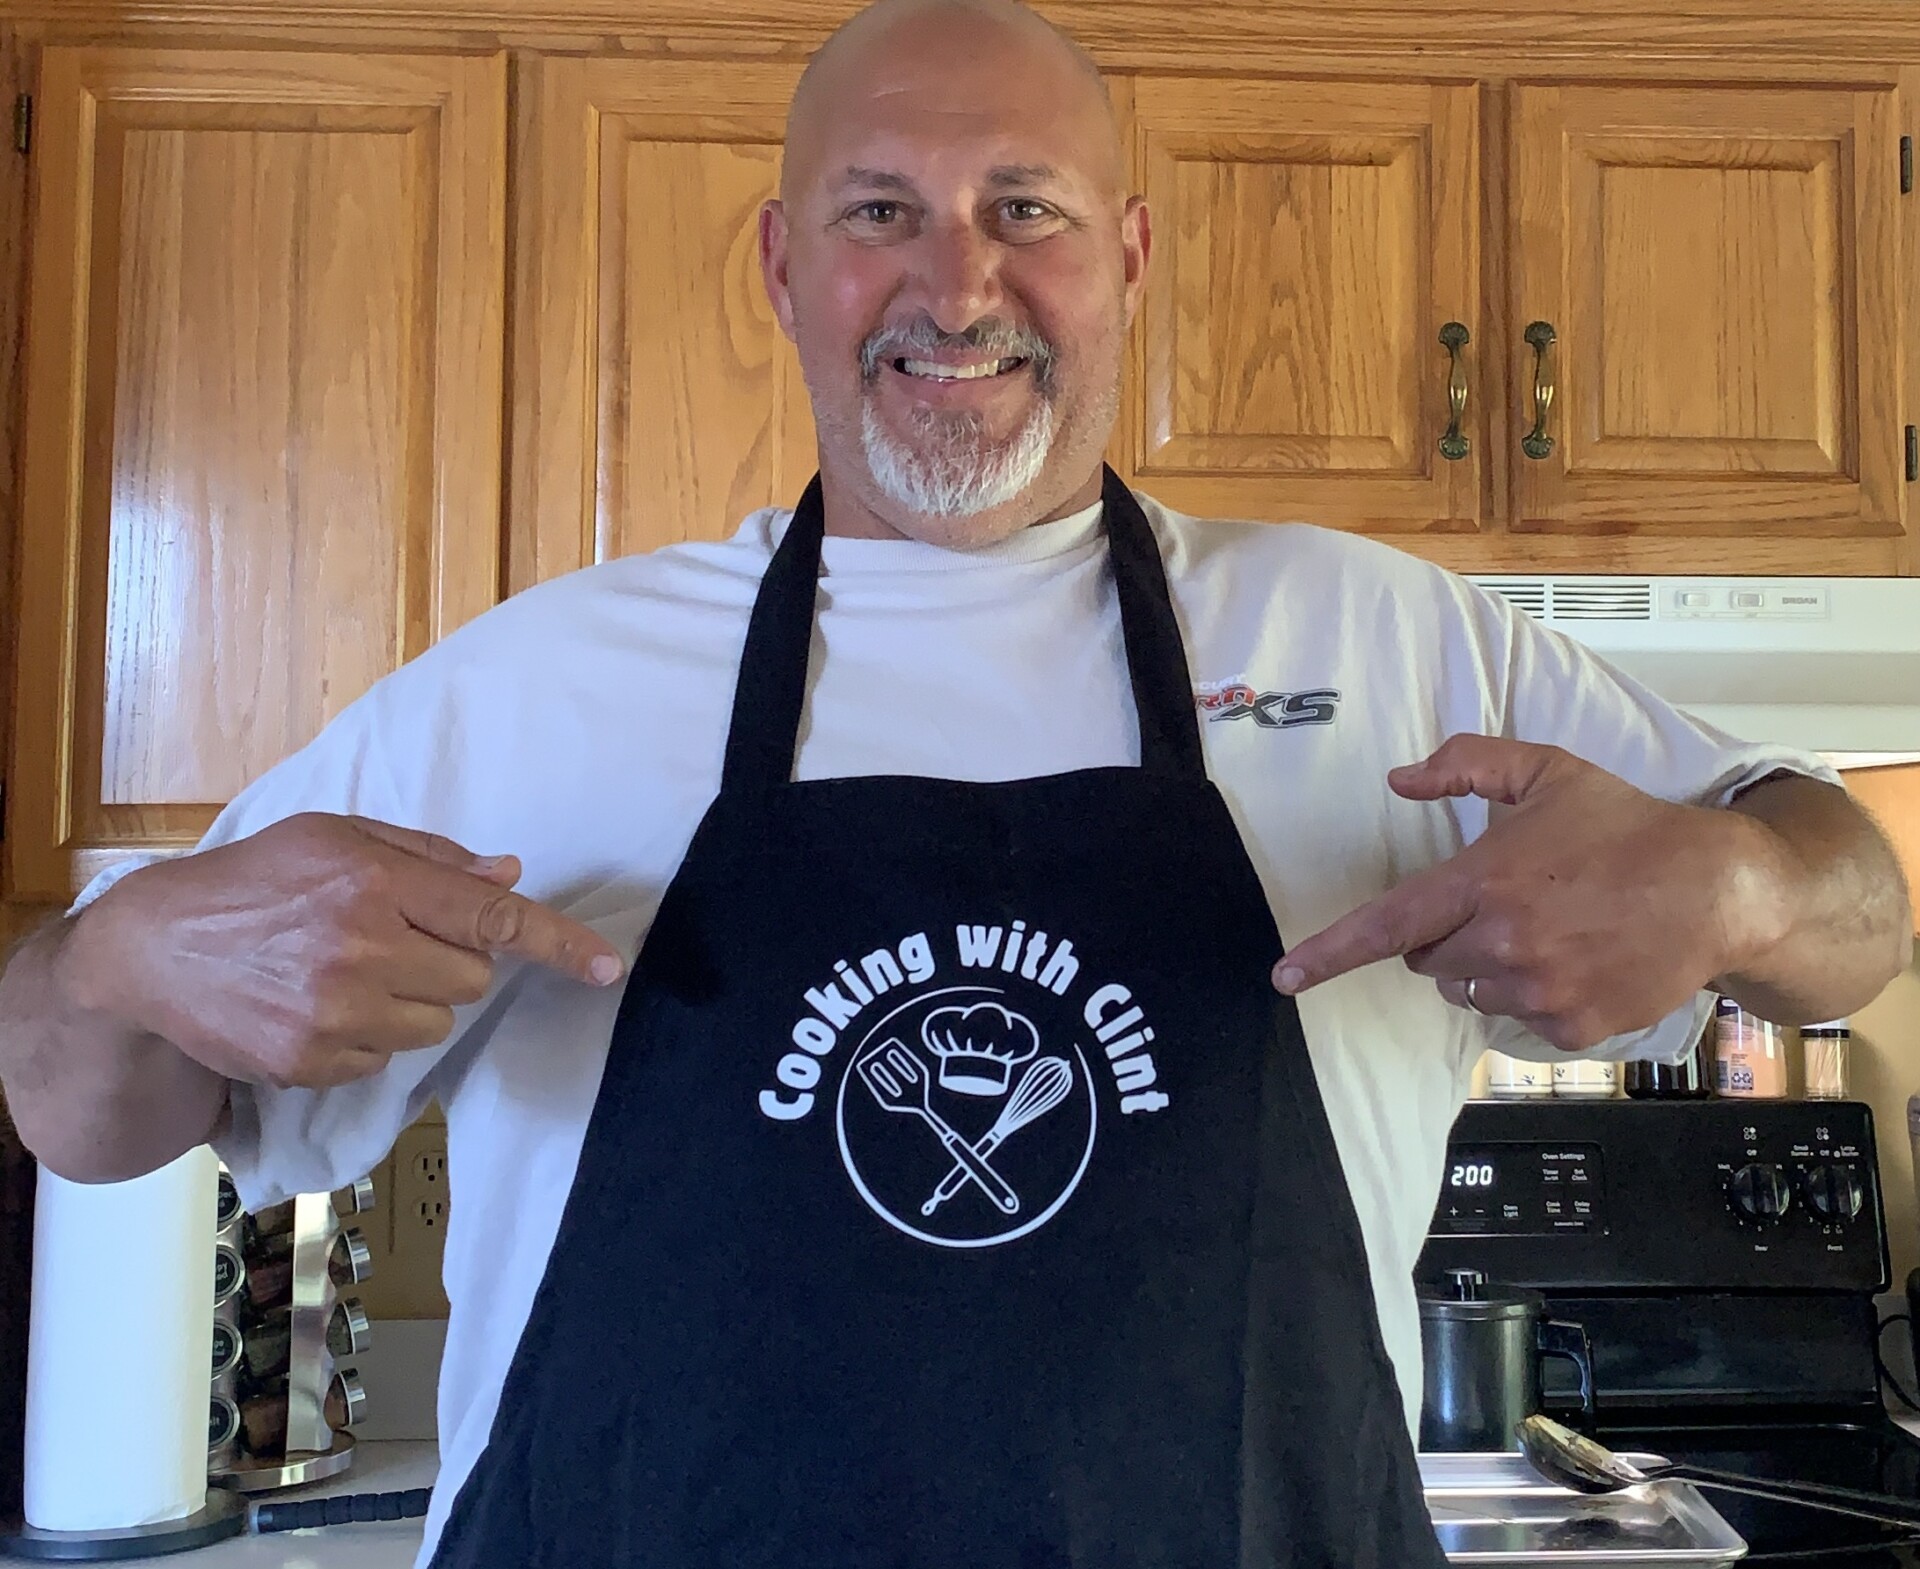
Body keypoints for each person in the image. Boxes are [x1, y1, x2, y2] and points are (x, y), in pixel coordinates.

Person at [0, 0, 1910, 1562]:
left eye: (1026, 208)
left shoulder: (1390, 639)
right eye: (879, 212)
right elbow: (83, 1108)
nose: (957, 280)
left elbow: (1860, 902)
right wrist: (110, 967)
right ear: (778, 264)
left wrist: (1735, 894)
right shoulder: (536, 686)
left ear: (1130, 257)